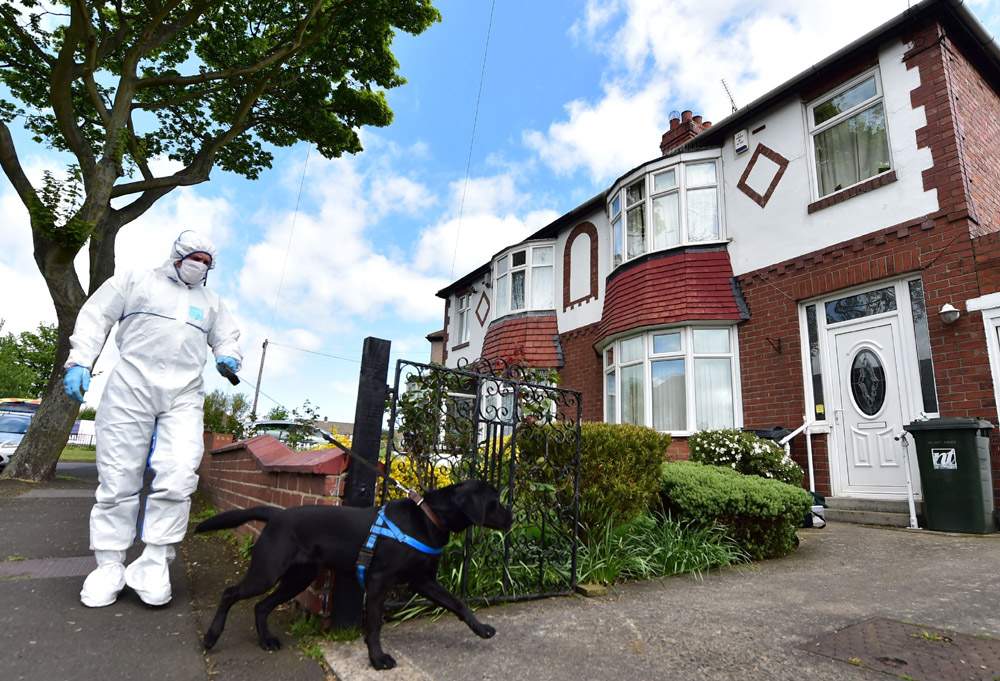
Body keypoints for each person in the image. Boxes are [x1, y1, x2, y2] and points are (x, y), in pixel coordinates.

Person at [63, 230, 242, 608]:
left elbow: (227, 336)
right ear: (176, 254)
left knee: (179, 474)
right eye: (195, 257)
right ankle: (109, 565)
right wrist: (80, 359)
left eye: (207, 262)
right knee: (117, 476)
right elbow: (96, 315)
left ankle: (154, 561)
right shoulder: (135, 280)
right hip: (132, 385)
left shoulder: (211, 302)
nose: (200, 265)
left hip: (183, 394)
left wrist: (229, 356)